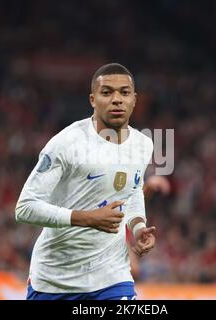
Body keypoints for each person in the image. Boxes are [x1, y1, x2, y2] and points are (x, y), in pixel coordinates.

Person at [15, 63, 156, 300]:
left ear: (134, 99)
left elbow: (131, 192)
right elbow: (25, 207)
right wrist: (87, 218)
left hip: (112, 277)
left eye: (124, 92)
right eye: (107, 92)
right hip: (55, 280)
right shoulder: (67, 143)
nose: (117, 99)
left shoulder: (143, 145)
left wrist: (138, 227)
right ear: (93, 99)